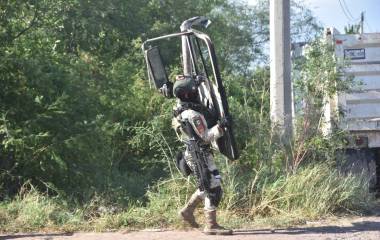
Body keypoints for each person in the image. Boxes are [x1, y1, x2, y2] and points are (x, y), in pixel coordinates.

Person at [171, 75, 232, 235]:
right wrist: (221, 127)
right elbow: (205, 136)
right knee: (214, 189)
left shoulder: (179, 109)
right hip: (200, 155)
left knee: (205, 186)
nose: (196, 92)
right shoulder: (193, 115)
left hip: (190, 153)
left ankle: (187, 211)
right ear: (187, 94)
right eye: (193, 89)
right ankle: (211, 225)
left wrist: (196, 81)